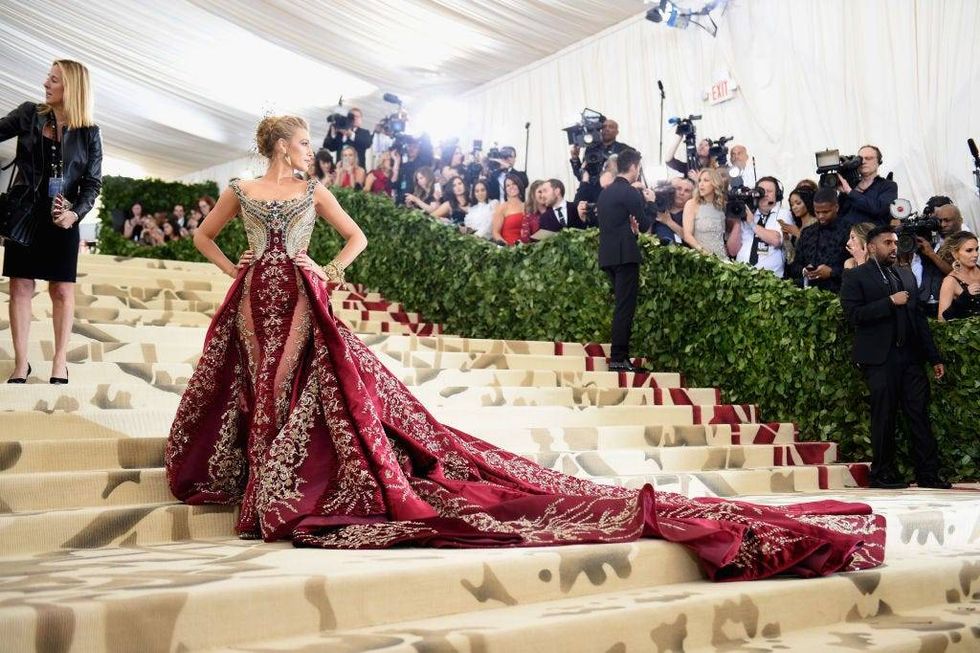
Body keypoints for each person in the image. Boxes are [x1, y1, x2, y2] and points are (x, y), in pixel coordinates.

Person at [2, 59, 102, 385]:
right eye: (48, 76)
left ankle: (60, 361)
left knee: (61, 290)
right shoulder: (30, 114)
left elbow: (92, 183)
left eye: (54, 79)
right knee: (20, 286)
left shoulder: (90, 133)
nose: (46, 82)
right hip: (25, 212)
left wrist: (76, 213)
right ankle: (21, 364)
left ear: (70, 87)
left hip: (63, 216)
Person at [839, 225, 950, 489]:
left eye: (895, 242)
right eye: (888, 242)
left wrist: (933, 357)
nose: (893, 247)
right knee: (884, 416)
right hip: (880, 358)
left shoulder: (904, 275)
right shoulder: (856, 276)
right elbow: (854, 315)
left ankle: (928, 474)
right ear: (872, 246)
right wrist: (889, 302)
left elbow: (918, 319)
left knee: (919, 415)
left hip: (910, 357)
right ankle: (882, 474)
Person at [596, 149, 653, 373]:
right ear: (635, 167)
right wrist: (651, 203)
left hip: (607, 255)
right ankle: (619, 359)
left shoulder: (606, 193)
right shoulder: (629, 192)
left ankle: (619, 358)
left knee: (621, 306)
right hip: (625, 255)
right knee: (624, 308)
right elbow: (645, 222)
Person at [727, 176, 787, 276]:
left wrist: (752, 223)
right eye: (761, 191)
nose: (765, 194)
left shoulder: (783, 213)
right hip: (742, 277)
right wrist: (738, 220)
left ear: (778, 195)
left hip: (771, 280)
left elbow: (776, 240)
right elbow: (732, 251)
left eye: (769, 191)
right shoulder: (749, 214)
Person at [796, 187, 850, 293]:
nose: (821, 216)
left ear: (836, 207)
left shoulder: (849, 232)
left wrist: (831, 272)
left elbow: (859, 268)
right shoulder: (807, 232)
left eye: (825, 212)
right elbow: (795, 264)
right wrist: (805, 270)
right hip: (808, 293)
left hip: (838, 294)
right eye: (817, 212)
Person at [838, 145, 898, 227]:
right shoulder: (850, 185)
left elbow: (879, 209)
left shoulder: (888, 186)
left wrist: (850, 192)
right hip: (845, 235)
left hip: (871, 236)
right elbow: (839, 213)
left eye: (869, 158)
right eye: (860, 159)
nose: (863, 162)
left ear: (878, 162)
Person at [682, 168, 729, 260]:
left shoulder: (721, 205)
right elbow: (687, 236)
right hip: (702, 259)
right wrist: (705, 254)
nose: (701, 184)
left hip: (722, 258)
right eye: (699, 181)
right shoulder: (692, 204)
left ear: (715, 183)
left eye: (706, 180)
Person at [937, 231, 980, 321]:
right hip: (969, 333)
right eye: (969, 250)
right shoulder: (950, 281)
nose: (975, 254)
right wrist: (965, 297)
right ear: (955, 254)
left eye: (977, 249)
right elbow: (942, 320)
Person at [780, 182, 818, 280]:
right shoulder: (798, 225)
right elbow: (791, 258)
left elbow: (816, 252)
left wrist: (798, 233)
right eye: (792, 204)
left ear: (807, 202)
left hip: (809, 277)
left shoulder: (817, 224)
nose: (794, 207)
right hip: (794, 276)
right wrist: (787, 239)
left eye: (798, 203)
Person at [651, 177, 694, 245]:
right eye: (679, 189)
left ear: (692, 196)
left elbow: (690, 238)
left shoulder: (692, 213)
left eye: (687, 191)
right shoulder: (662, 205)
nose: (681, 193)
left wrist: (669, 222)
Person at [491, 173, 528, 246]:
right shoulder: (502, 208)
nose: (511, 187)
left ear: (519, 185)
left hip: (528, 248)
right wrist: (505, 246)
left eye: (514, 184)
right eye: (508, 185)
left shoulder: (528, 206)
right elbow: (495, 232)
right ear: (505, 190)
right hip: (509, 249)